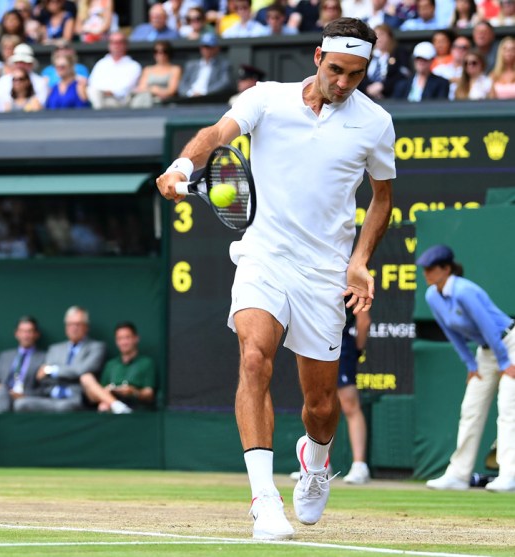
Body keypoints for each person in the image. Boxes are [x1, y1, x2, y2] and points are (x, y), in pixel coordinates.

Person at [156, 17, 395, 540]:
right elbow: (216, 135)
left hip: (325, 273)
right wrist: (181, 167)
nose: (344, 83)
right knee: (253, 357)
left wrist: (359, 261)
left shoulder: (376, 123)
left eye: (356, 74)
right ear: (317, 58)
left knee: (322, 408)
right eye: (336, 69)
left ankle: (316, 458)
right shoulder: (265, 98)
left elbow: (382, 199)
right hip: (263, 256)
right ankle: (264, 499)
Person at [417, 245, 515, 493]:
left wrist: (505, 362)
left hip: (508, 345)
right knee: (471, 410)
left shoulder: (464, 291)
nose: (426, 273)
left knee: (508, 409)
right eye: (425, 269)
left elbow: (488, 326)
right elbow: (451, 332)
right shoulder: (432, 296)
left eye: (431, 268)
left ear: (446, 269)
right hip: (486, 353)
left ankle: (509, 475)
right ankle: (458, 475)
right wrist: (470, 364)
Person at [16, 306, 106, 413]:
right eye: (70, 324)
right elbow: (43, 377)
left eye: (78, 324)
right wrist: (54, 383)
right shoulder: (55, 349)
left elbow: (81, 370)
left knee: (63, 408)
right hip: (51, 397)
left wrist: (51, 370)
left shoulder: (97, 347)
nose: (74, 328)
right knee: (21, 404)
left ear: (86, 327)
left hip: (77, 398)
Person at [81, 321, 155, 414]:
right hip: (112, 404)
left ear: (136, 338)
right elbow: (98, 394)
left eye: (127, 338)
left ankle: (119, 407)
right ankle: (118, 406)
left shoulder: (146, 363)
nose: (124, 342)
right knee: (87, 380)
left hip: (135, 407)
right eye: (120, 338)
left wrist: (133, 392)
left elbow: (149, 394)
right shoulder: (111, 365)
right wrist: (108, 390)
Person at [337, 308, 371, 484]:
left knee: (350, 405)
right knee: (319, 403)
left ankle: (359, 466)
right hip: (316, 343)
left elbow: (364, 321)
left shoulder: (354, 289)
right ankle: (317, 465)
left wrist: (357, 350)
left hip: (342, 345)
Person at [0, 316, 46, 414]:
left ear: (36, 334)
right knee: (1, 393)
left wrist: (24, 395)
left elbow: (45, 389)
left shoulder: (44, 357)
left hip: (27, 397)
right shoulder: (4, 356)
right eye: (22, 331)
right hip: (4, 395)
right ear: (16, 333)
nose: (25, 335)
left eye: (29, 331)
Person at [86, 32, 141, 109]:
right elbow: (92, 83)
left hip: (121, 102)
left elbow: (126, 88)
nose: (116, 45)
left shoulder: (134, 66)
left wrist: (111, 92)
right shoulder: (101, 63)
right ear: (109, 45)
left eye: (120, 42)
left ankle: (98, 114)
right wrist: (104, 92)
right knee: (92, 91)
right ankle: (98, 113)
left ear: (126, 45)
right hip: (100, 97)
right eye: (113, 42)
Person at [177, 34, 233, 100]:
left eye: (209, 47)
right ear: (200, 48)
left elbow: (225, 83)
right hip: (189, 99)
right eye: (204, 47)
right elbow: (182, 84)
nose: (206, 50)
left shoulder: (223, 65)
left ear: (216, 48)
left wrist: (204, 93)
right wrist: (190, 93)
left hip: (209, 99)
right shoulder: (191, 65)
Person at [130, 39, 181, 108]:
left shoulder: (175, 69)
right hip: (145, 99)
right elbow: (141, 87)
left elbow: (171, 90)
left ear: (169, 53)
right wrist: (153, 90)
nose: (160, 54)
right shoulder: (147, 69)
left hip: (164, 103)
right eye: (156, 51)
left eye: (164, 51)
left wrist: (155, 90)